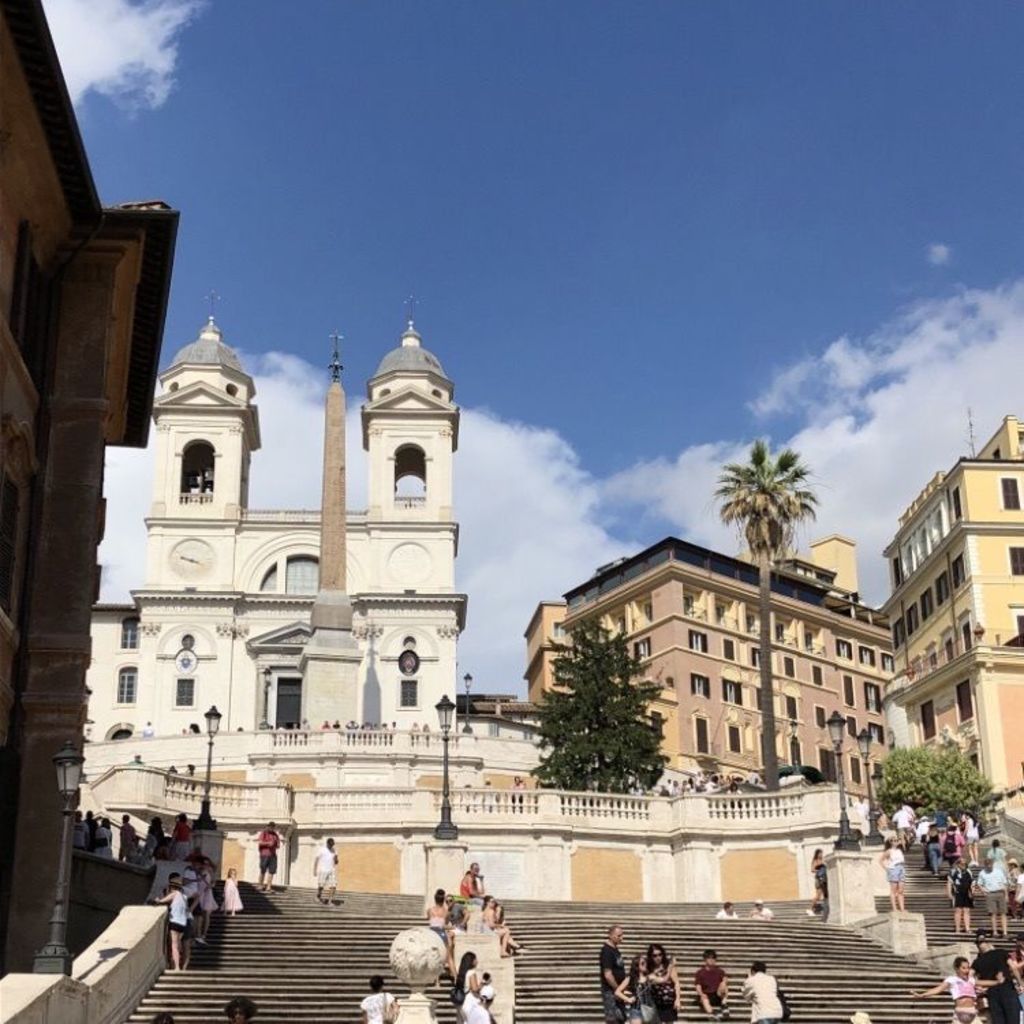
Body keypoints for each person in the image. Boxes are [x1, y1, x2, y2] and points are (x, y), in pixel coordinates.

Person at [910, 955, 979, 1023]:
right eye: (963, 968)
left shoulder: (971, 980)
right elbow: (938, 989)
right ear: (957, 969)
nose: (967, 970)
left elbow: (979, 987)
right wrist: (922, 995)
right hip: (960, 1013)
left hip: (972, 1012)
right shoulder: (952, 980)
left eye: (968, 968)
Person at [971, 931, 1021, 1024]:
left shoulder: (977, 961)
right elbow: (1013, 967)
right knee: (1013, 1019)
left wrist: (979, 987)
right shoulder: (1001, 952)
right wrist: (1021, 984)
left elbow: (969, 978)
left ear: (978, 947)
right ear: (990, 944)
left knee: (999, 1021)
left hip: (992, 993)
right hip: (1008, 989)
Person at [152, 876, 190, 971]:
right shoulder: (184, 897)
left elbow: (161, 901)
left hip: (175, 922)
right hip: (183, 923)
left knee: (174, 945)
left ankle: (177, 966)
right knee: (178, 944)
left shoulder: (175, 894)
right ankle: (177, 964)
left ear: (172, 887)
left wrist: (157, 900)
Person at [974, 857, 1010, 938]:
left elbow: (1004, 884)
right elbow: (979, 883)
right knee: (992, 913)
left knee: (1003, 913)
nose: (989, 866)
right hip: (990, 894)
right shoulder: (982, 873)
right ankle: (995, 932)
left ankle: (1005, 932)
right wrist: (983, 891)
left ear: (993, 864)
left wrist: (1006, 895)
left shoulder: (999, 871)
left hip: (1000, 892)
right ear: (985, 865)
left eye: (990, 864)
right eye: (987, 865)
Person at [645, 943, 681, 1022]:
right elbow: (662, 980)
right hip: (655, 1002)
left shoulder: (667, 966)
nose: (658, 958)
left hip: (668, 1001)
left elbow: (676, 983)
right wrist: (671, 966)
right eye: (655, 955)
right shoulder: (648, 968)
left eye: (660, 955)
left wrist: (677, 999)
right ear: (651, 956)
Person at [600, 925, 627, 1023]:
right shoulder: (607, 951)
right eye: (619, 936)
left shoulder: (614, 950)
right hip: (611, 992)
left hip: (617, 991)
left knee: (621, 1018)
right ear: (610, 935)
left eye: (622, 935)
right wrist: (617, 990)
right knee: (614, 1019)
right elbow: (608, 974)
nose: (622, 938)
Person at [614, 954, 652, 1023]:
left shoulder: (649, 977)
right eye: (642, 963)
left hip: (650, 1010)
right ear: (637, 966)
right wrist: (628, 999)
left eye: (645, 962)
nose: (645, 965)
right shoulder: (630, 978)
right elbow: (617, 992)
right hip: (636, 1010)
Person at [694, 948, 730, 1020]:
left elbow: (725, 979)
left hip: (717, 995)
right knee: (704, 999)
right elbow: (698, 986)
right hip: (706, 995)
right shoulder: (700, 972)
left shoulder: (720, 971)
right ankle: (712, 1013)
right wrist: (701, 994)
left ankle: (724, 1005)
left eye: (713, 958)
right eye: (709, 958)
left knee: (724, 984)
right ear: (705, 959)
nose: (711, 960)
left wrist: (723, 982)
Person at [948, 857, 975, 935]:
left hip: (967, 893)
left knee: (967, 911)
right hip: (957, 893)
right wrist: (949, 893)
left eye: (965, 864)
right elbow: (949, 882)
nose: (963, 865)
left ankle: (967, 928)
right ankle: (957, 928)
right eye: (962, 863)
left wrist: (972, 891)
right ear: (958, 864)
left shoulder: (968, 872)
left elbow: (972, 882)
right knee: (958, 911)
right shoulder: (954, 872)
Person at [880, 838, 906, 912]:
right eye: (894, 840)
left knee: (901, 890)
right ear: (890, 842)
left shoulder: (899, 850)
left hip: (901, 868)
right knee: (893, 890)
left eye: (896, 840)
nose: (896, 842)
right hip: (893, 869)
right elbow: (881, 860)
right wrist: (887, 869)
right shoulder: (889, 851)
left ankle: (902, 909)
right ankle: (894, 908)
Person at [314, 837, 339, 905]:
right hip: (323, 870)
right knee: (321, 885)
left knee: (333, 886)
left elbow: (336, 861)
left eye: (332, 845)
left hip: (332, 870)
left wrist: (336, 859)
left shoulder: (334, 850)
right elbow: (316, 860)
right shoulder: (322, 850)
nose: (331, 846)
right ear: (327, 844)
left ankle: (330, 901)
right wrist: (315, 870)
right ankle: (318, 896)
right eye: (330, 845)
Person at [257, 822, 281, 892]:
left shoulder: (275, 835)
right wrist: (268, 843)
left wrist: (277, 844)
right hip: (264, 854)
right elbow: (260, 842)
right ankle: (260, 885)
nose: (272, 828)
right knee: (263, 869)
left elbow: (278, 844)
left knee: (272, 871)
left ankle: (268, 887)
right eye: (270, 827)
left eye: (273, 827)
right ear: (267, 826)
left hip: (273, 855)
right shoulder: (264, 833)